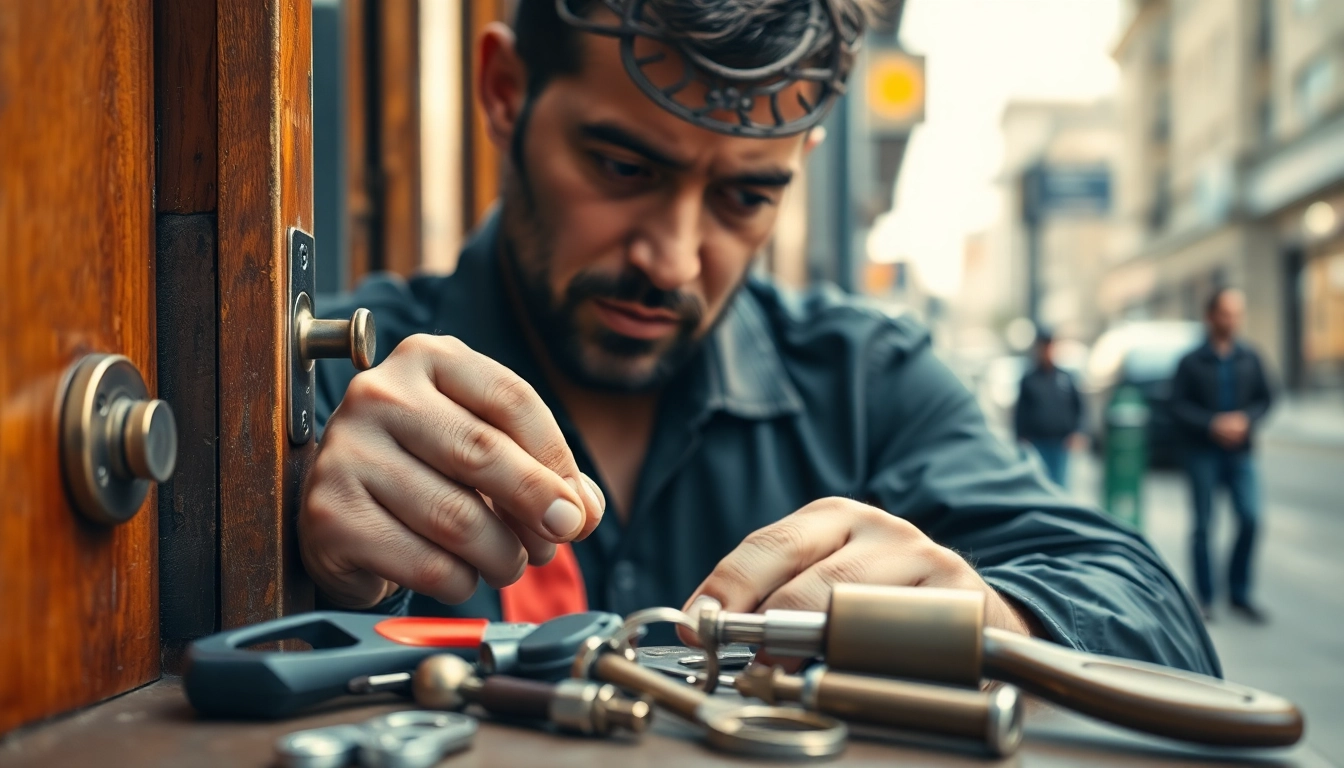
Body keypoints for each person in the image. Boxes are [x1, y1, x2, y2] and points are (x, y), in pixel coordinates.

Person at [301, 0, 1218, 674]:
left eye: (746, 196)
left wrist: (992, 618)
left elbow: (1156, 620)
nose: (673, 259)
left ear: (799, 164)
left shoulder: (870, 381)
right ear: (506, 93)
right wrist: (309, 572)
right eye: (623, 166)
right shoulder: (321, 379)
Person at [1170, 288, 1274, 623]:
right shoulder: (1190, 361)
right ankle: (1205, 598)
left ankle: (1239, 593)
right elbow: (1176, 406)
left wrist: (1246, 420)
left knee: (1250, 518)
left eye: (1237, 314)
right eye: (1227, 314)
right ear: (1212, 316)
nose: (1233, 321)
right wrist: (1212, 423)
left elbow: (1267, 398)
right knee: (1203, 526)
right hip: (1203, 452)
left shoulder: (1249, 356)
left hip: (1239, 453)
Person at [1013, 329, 1085, 488]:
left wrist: (1078, 431)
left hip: (1060, 441)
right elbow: (1020, 411)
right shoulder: (1030, 379)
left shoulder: (1065, 377)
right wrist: (1020, 436)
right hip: (1037, 441)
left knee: (1060, 484)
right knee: (1042, 482)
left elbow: (1078, 406)